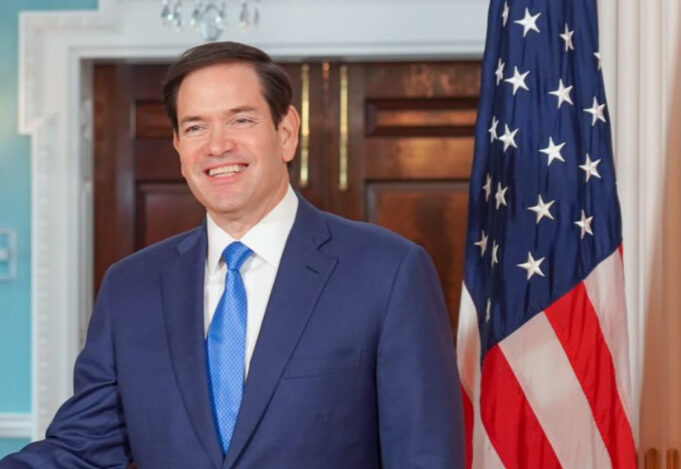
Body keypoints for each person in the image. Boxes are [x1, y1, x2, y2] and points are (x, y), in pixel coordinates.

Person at [0, 41, 464, 469]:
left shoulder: (387, 271)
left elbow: (423, 456)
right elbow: (81, 449)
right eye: (195, 126)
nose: (217, 145)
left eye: (241, 120)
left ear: (286, 132)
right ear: (179, 147)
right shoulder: (130, 287)